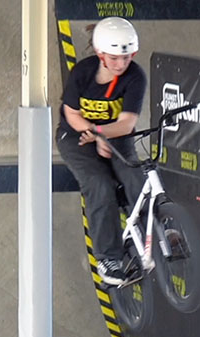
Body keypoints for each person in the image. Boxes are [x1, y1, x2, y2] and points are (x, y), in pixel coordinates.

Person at [57, 17, 147, 286]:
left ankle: (157, 230)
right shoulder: (83, 73)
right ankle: (108, 258)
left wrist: (104, 135)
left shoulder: (135, 77)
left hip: (116, 134)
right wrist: (95, 136)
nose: (121, 64)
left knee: (134, 177)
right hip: (77, 137)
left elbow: (127, 123)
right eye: (114, 58)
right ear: (100, 54)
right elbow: (71, 114)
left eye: (126, 57)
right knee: (100, 184)